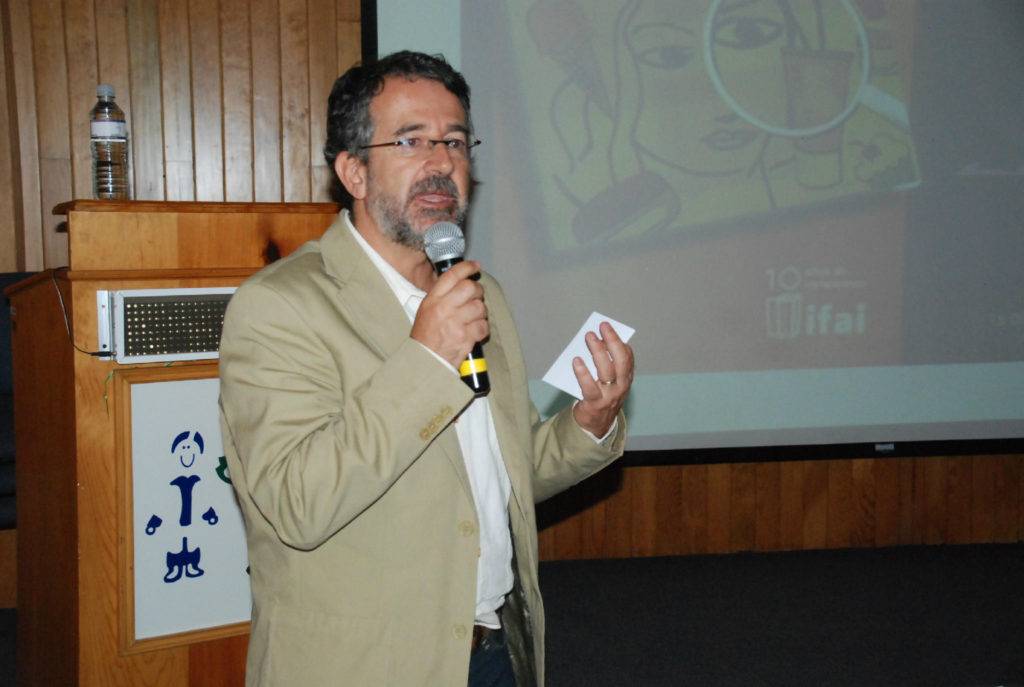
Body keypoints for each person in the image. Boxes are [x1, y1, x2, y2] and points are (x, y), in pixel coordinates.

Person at [218, 51, 634, 686]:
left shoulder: (479, 294)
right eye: (411, 141)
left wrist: (589, 422)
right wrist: (427, 359)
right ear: (354, 171)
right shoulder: (280, 306)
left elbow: (499, 477)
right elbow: (297, 504)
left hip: (493, 652)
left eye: (456, 141)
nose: (442, 163)